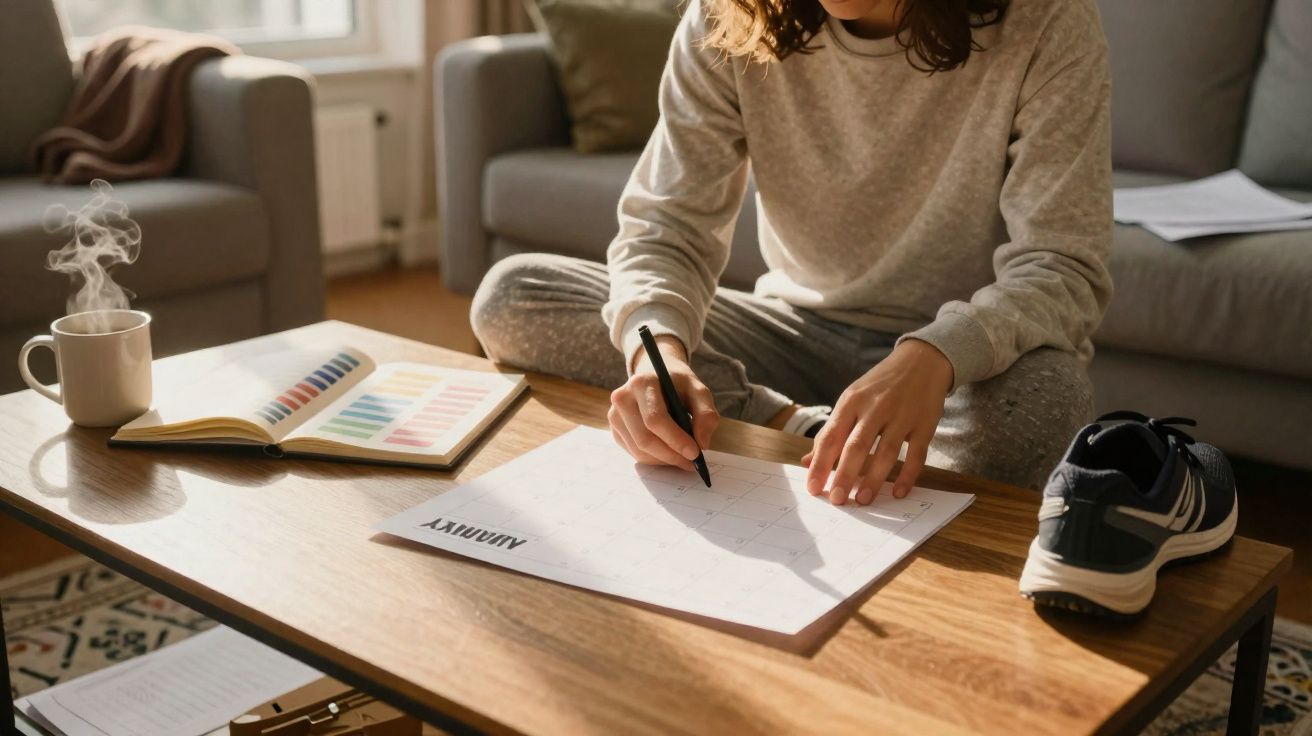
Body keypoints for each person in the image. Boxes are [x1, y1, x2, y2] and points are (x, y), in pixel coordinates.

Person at [472, 0, 1113, 501]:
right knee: (514, 295)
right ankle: (800, 431)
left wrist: (933, 355)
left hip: (960, 371)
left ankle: (791, 438)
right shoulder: (730, 18)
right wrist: (655, 356)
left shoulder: (1046, 19)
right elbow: (667, 227)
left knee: (1050, 399)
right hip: (793, 337)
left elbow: (1063, 265)